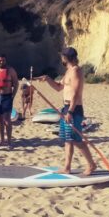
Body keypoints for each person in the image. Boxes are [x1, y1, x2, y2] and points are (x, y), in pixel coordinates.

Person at [37, 47, 98, 176]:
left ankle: (91, 165)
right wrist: (48, 79)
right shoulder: (68, 71)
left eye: (62, 56)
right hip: (66, 108)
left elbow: (75, 93)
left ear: (66, 57)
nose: (61, 58)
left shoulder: (76, 71)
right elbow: (58, 87)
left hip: (74, 109)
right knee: (68, 139)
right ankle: (67, 167)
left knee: (76, 139)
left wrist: (70, 112)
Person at [0, 54, 20, 146]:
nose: (1, 62)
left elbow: (16, 84)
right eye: (0, 60)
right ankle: (2, 140)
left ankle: (9, 141)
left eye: (3, 60)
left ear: (6, 61)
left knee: (7, 119)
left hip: (7, 96)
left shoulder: (11, 71)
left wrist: (13, 95)